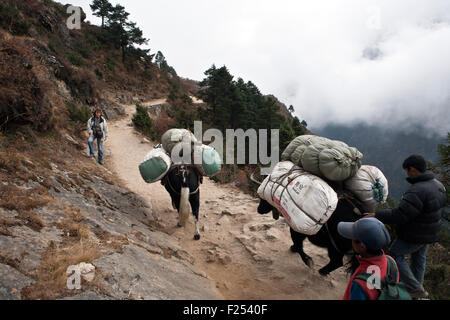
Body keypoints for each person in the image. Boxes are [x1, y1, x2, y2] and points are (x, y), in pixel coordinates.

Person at [365, 155, 447, 299]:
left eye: (407, 170)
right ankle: (416, 290)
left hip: (414, 234)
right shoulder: (438, 185)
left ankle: (414, 288)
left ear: (413, 169)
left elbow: (401, 214)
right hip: (430, 233)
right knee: (419, 259)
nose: (407, 174)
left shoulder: (417, 190)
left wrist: (376, 215)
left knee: (395, 254)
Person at [338, 218, 395, 300]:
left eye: (353, 238)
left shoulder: (361, 284)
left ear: (362, 246)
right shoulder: (391, 262)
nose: (351, 240)